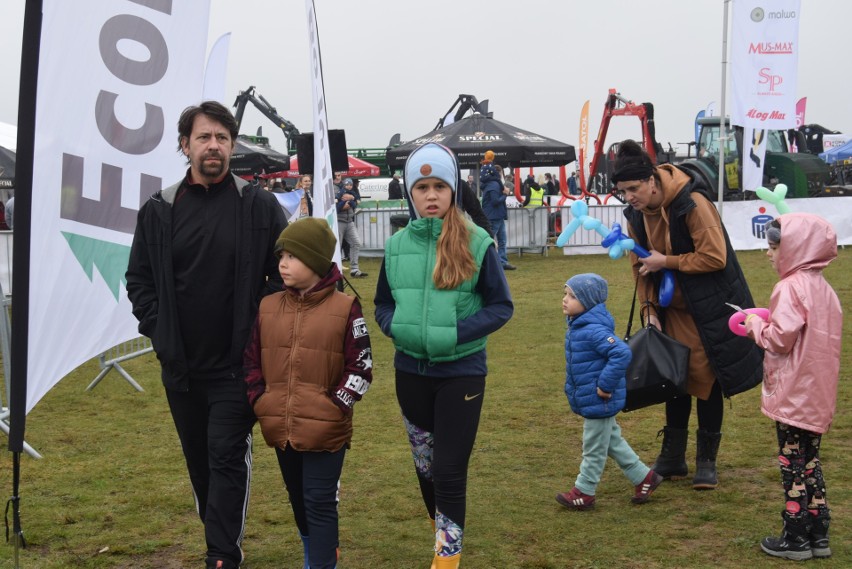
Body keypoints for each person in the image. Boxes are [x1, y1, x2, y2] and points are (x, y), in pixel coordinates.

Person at [125, 101, 287, 569]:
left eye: (221, 137)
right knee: (200, 463)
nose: (213, 145)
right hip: (181, 368)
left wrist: (260, 331)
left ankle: (221, 555)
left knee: (225, 457)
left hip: (236, 367)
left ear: (232, 146)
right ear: (185, 145)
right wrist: (158, 329)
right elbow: (139, 280)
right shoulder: (159, 209)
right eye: (203, 137)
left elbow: (284, 274)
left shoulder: (257, 205)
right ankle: (218, 530)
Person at [374, 142, 513, 568]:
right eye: (422, 187)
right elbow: (382, 303)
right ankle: (444, 534)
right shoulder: (396, 246)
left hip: (462, 374)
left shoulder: (477, 241)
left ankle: (446, 560)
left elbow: (500, 307)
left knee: (450, 469)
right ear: (410, 194)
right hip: (410, 373)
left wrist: (452, 335)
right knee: (426, 469)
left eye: (439, 186)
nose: (431, 195)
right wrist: (397, 327)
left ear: (453, 190)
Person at [613, 139, 763, 491]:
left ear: (652, 180)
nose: (629, 197)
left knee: (707, 378)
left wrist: (666, 261)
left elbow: (715, 257)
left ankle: (706, 461)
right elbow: (640, 267)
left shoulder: (692, 203)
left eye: (634, 188)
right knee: (672, 377)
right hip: (669, 310)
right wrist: (650, 312)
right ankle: (672, 456)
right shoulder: (635, 214)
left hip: (710, 308)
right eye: (623, 192)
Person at [243, 217, 373, 569]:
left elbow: (361, 367)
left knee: (318, 501)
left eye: (291, 256)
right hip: (280, 428)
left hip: (326, 430)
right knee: (298, 499)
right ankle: (313, 552)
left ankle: (320, 563)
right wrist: (260, 399)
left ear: (315, 262)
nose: (282, 263)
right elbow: (252, 361)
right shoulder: (268, 307)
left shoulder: (345, 308)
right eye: (280, 255)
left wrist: (335, 406)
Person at [743, 214, 841, 561]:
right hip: (817, 392)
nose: (768, 254)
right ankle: (819, 531)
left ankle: (795, 535)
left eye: (773, 247)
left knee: (792, 462)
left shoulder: (789, 287)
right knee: (811, 460)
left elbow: (780, 340)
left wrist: (756, 325)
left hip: (793, 392)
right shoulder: (825, 290)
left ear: (794, 248)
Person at [555, 273, 663, 511]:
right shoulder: (579, 326)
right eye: (565, 293)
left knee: (593, 447)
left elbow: (621, 353)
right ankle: (645, 478)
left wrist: (605, 385)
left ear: (589, 301)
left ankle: (584, 491)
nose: (565, 299)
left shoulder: (593, 330)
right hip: (591, 398)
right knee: (611, 440)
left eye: (572, 296)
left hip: (600, 398)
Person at [479, 150, 516, 271]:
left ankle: (502, 262)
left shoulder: (489, 184)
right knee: (491, 240)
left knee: (501, 240)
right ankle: (488, 261)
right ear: (498, 173)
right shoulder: (494, 185)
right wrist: (505, 194)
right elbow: (495, 201)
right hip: (494, 216)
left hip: (496, 216)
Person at [336, 178, 367, 277]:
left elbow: (357, 200)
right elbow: (334, 206)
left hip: (349, 221)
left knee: (356, 243)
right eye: (336, 175)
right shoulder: (333, 189)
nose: (338, 177)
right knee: (337, 246)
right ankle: (335, 270)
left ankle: (354, 269)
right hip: (338, 221)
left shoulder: (351, 190)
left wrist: (352, 198)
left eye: (339, 175)